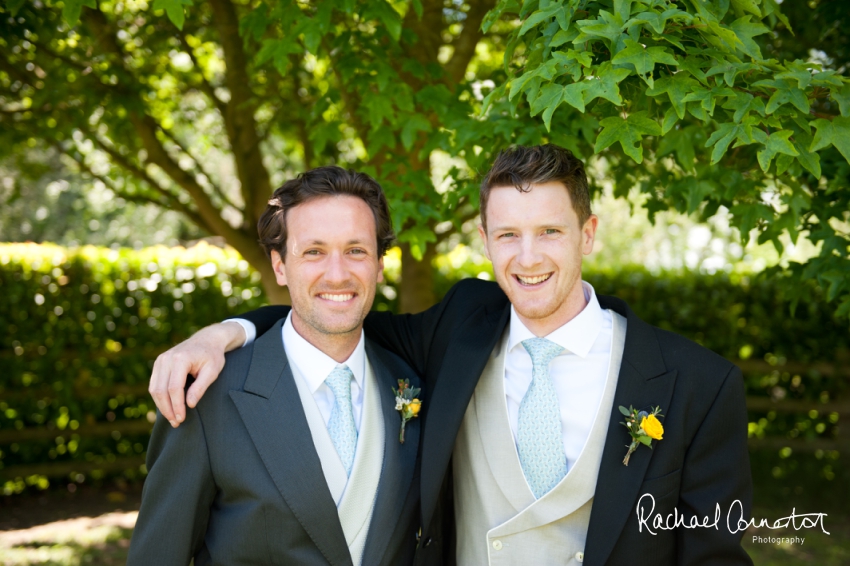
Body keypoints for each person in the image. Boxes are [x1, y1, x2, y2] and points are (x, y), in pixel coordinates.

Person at [150, 145, 753, 565]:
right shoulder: (460, 329)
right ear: (485, 240)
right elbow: (332, 314)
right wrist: (225, 332)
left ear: (587, 233)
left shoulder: (697, 384)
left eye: (549, 231)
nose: (528, 257)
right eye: (508, 234)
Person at [129, 167, 423, 565]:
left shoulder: (412, 381)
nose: (337, 274)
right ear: (280, 266)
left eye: (356, 250)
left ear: (379, 264)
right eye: (314, 252)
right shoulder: (208, 398)